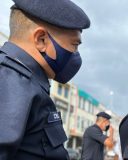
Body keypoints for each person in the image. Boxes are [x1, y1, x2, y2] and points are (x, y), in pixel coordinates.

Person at [0, 0, 90, 159]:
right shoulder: (10, 81)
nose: (76, 54)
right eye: (74, 45)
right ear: (41, 39)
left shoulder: (26, 81)